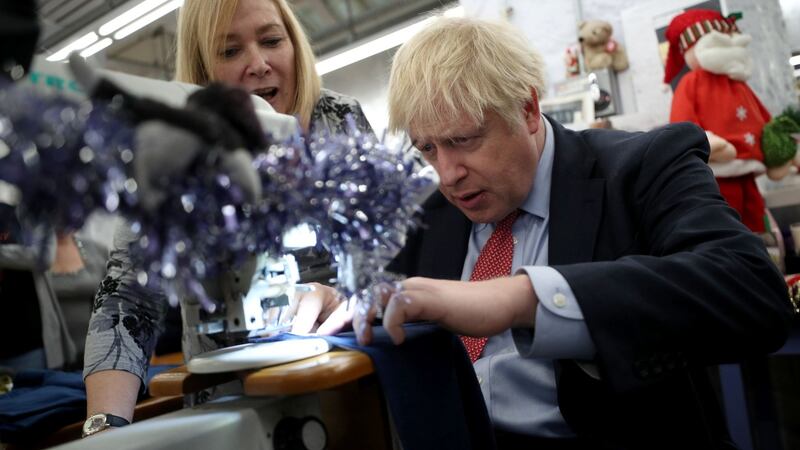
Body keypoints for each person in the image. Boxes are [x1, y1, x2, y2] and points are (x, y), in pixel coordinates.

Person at [293, 17, 794, 449]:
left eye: (463, 141)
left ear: (528, 110)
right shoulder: (427, 216)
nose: (447, 174)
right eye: (427, 149)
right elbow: (396, 302)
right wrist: (340, 300)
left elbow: (752, 290)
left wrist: (525, 298)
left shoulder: (642, 168)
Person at [82, 0, 373, 434]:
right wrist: (103, 429)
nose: (258, 64)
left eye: (272, 40)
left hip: (355, 389)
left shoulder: (340, 122)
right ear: (203, 73)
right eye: (230, 51)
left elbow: (390, 262)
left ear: (294, 43)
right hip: (233, 404)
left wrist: (342, 294)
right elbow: (127, 300)